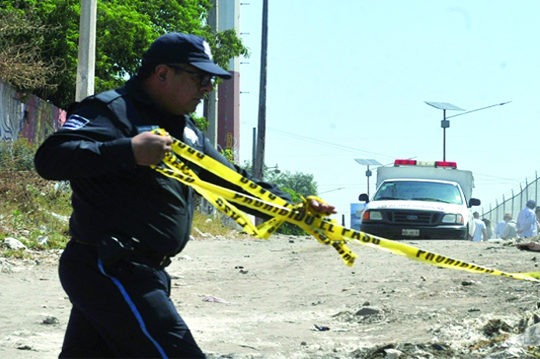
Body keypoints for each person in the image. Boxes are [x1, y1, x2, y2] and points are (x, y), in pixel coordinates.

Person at [34, 33, 337, 359]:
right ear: (162, 74)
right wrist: (128, 150)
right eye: (199, 77)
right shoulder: (112, 111)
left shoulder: (185, 130)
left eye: (211, 80)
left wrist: (292, 207)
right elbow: (50, 158)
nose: (208, 88)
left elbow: (235, 182)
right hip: (110, 267)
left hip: (141, 271)